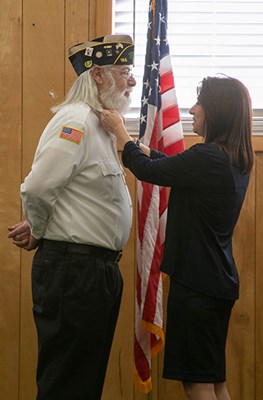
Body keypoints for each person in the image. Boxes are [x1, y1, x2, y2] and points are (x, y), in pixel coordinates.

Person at [100, 75, 254, 400]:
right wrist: (140, 147)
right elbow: (170, 165)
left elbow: (149, 172)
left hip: (197, 287)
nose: (192, 110)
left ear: (216, 111)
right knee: (213, 380)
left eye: (200, 104)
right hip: (217, 283)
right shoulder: (232, 160)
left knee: (196, 383)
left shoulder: (208, 157)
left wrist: (120, 132)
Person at [8, 34, 136, 400]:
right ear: (97, 75)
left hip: (94, 274)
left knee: (84, 382)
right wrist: (38, 227)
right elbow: (37, 188)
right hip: (74, 273)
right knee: (67, 384)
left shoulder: (101, 125)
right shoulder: (76, 121)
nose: (131, 81)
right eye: (124, 71)